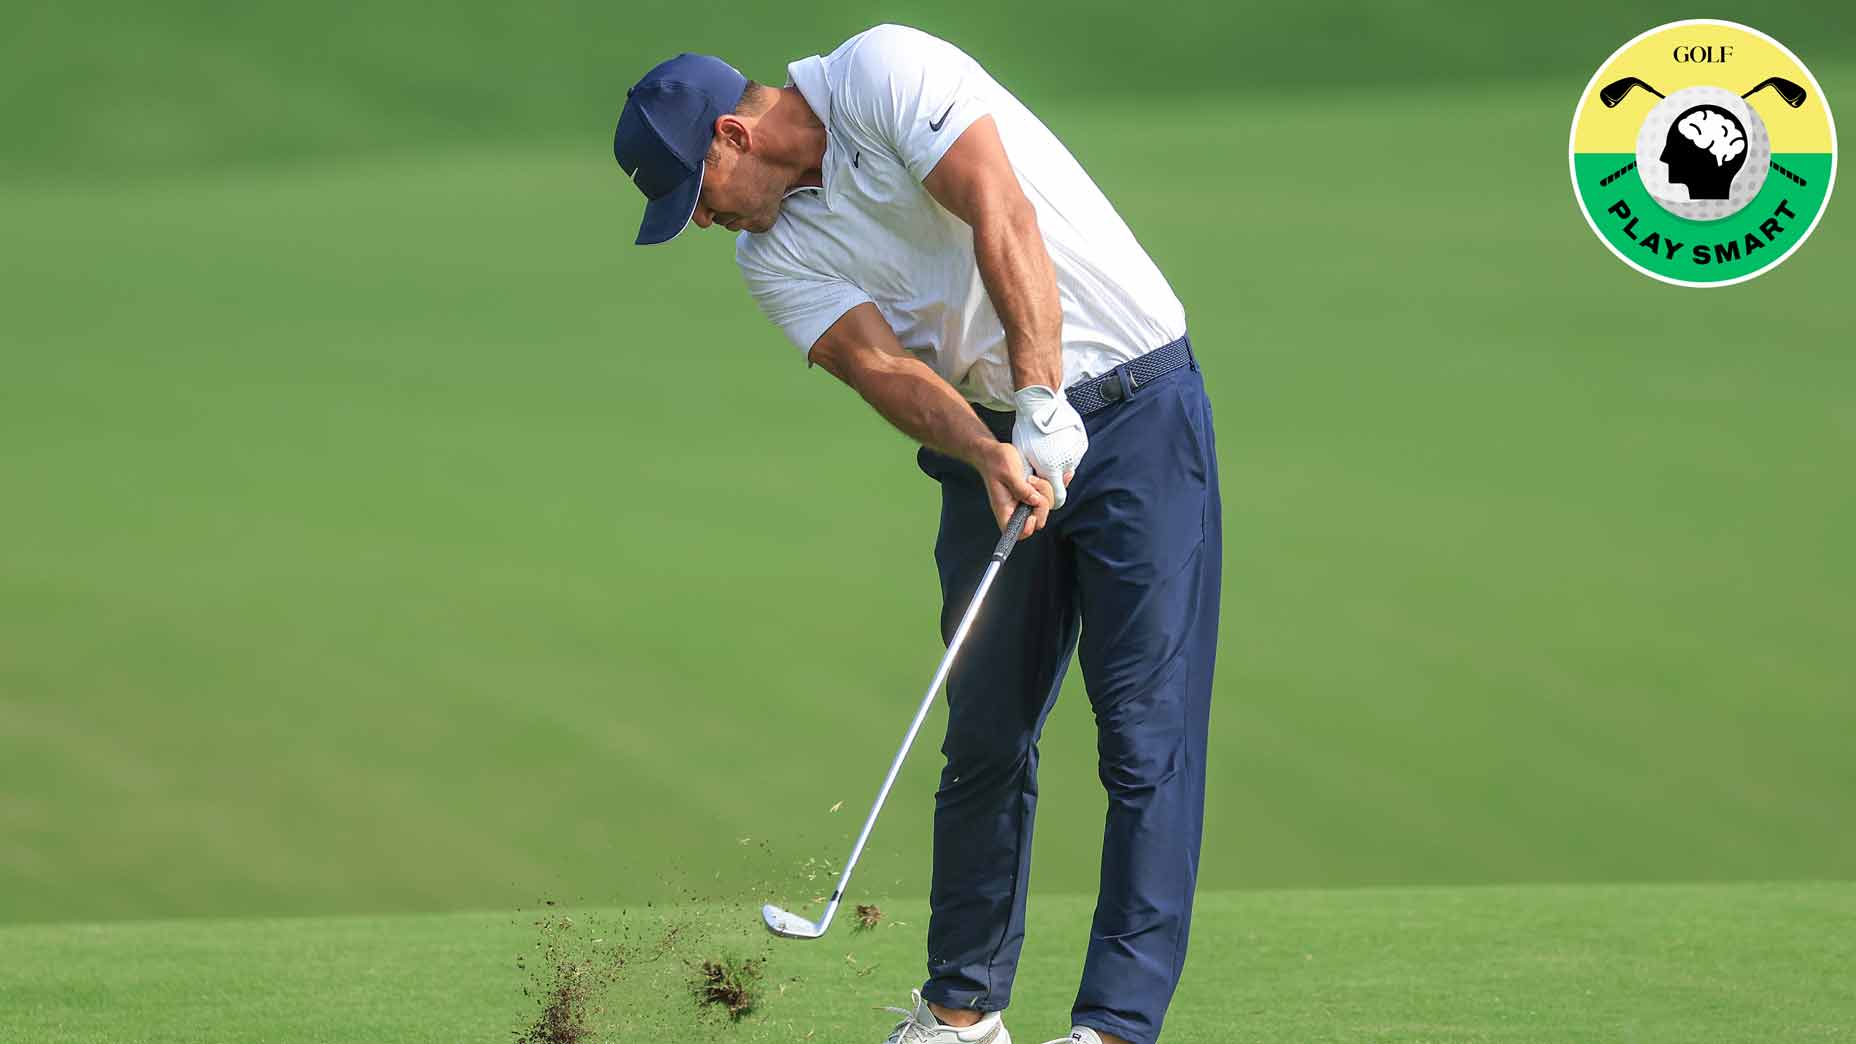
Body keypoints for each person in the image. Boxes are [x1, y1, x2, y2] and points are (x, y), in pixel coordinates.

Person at [614, 24, 1222, 1044]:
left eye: (699, 193)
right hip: (984, 436)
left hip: (1136, 405)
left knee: (1142, 736)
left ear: (732, 134)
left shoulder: (883, 72)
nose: (706, 220)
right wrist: (991, 450)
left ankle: (1114, 1025)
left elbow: (998, 209)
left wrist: (1039, 390)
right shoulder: (771, 258)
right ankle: (960, 1015)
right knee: (985, 731)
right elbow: (881, 370)